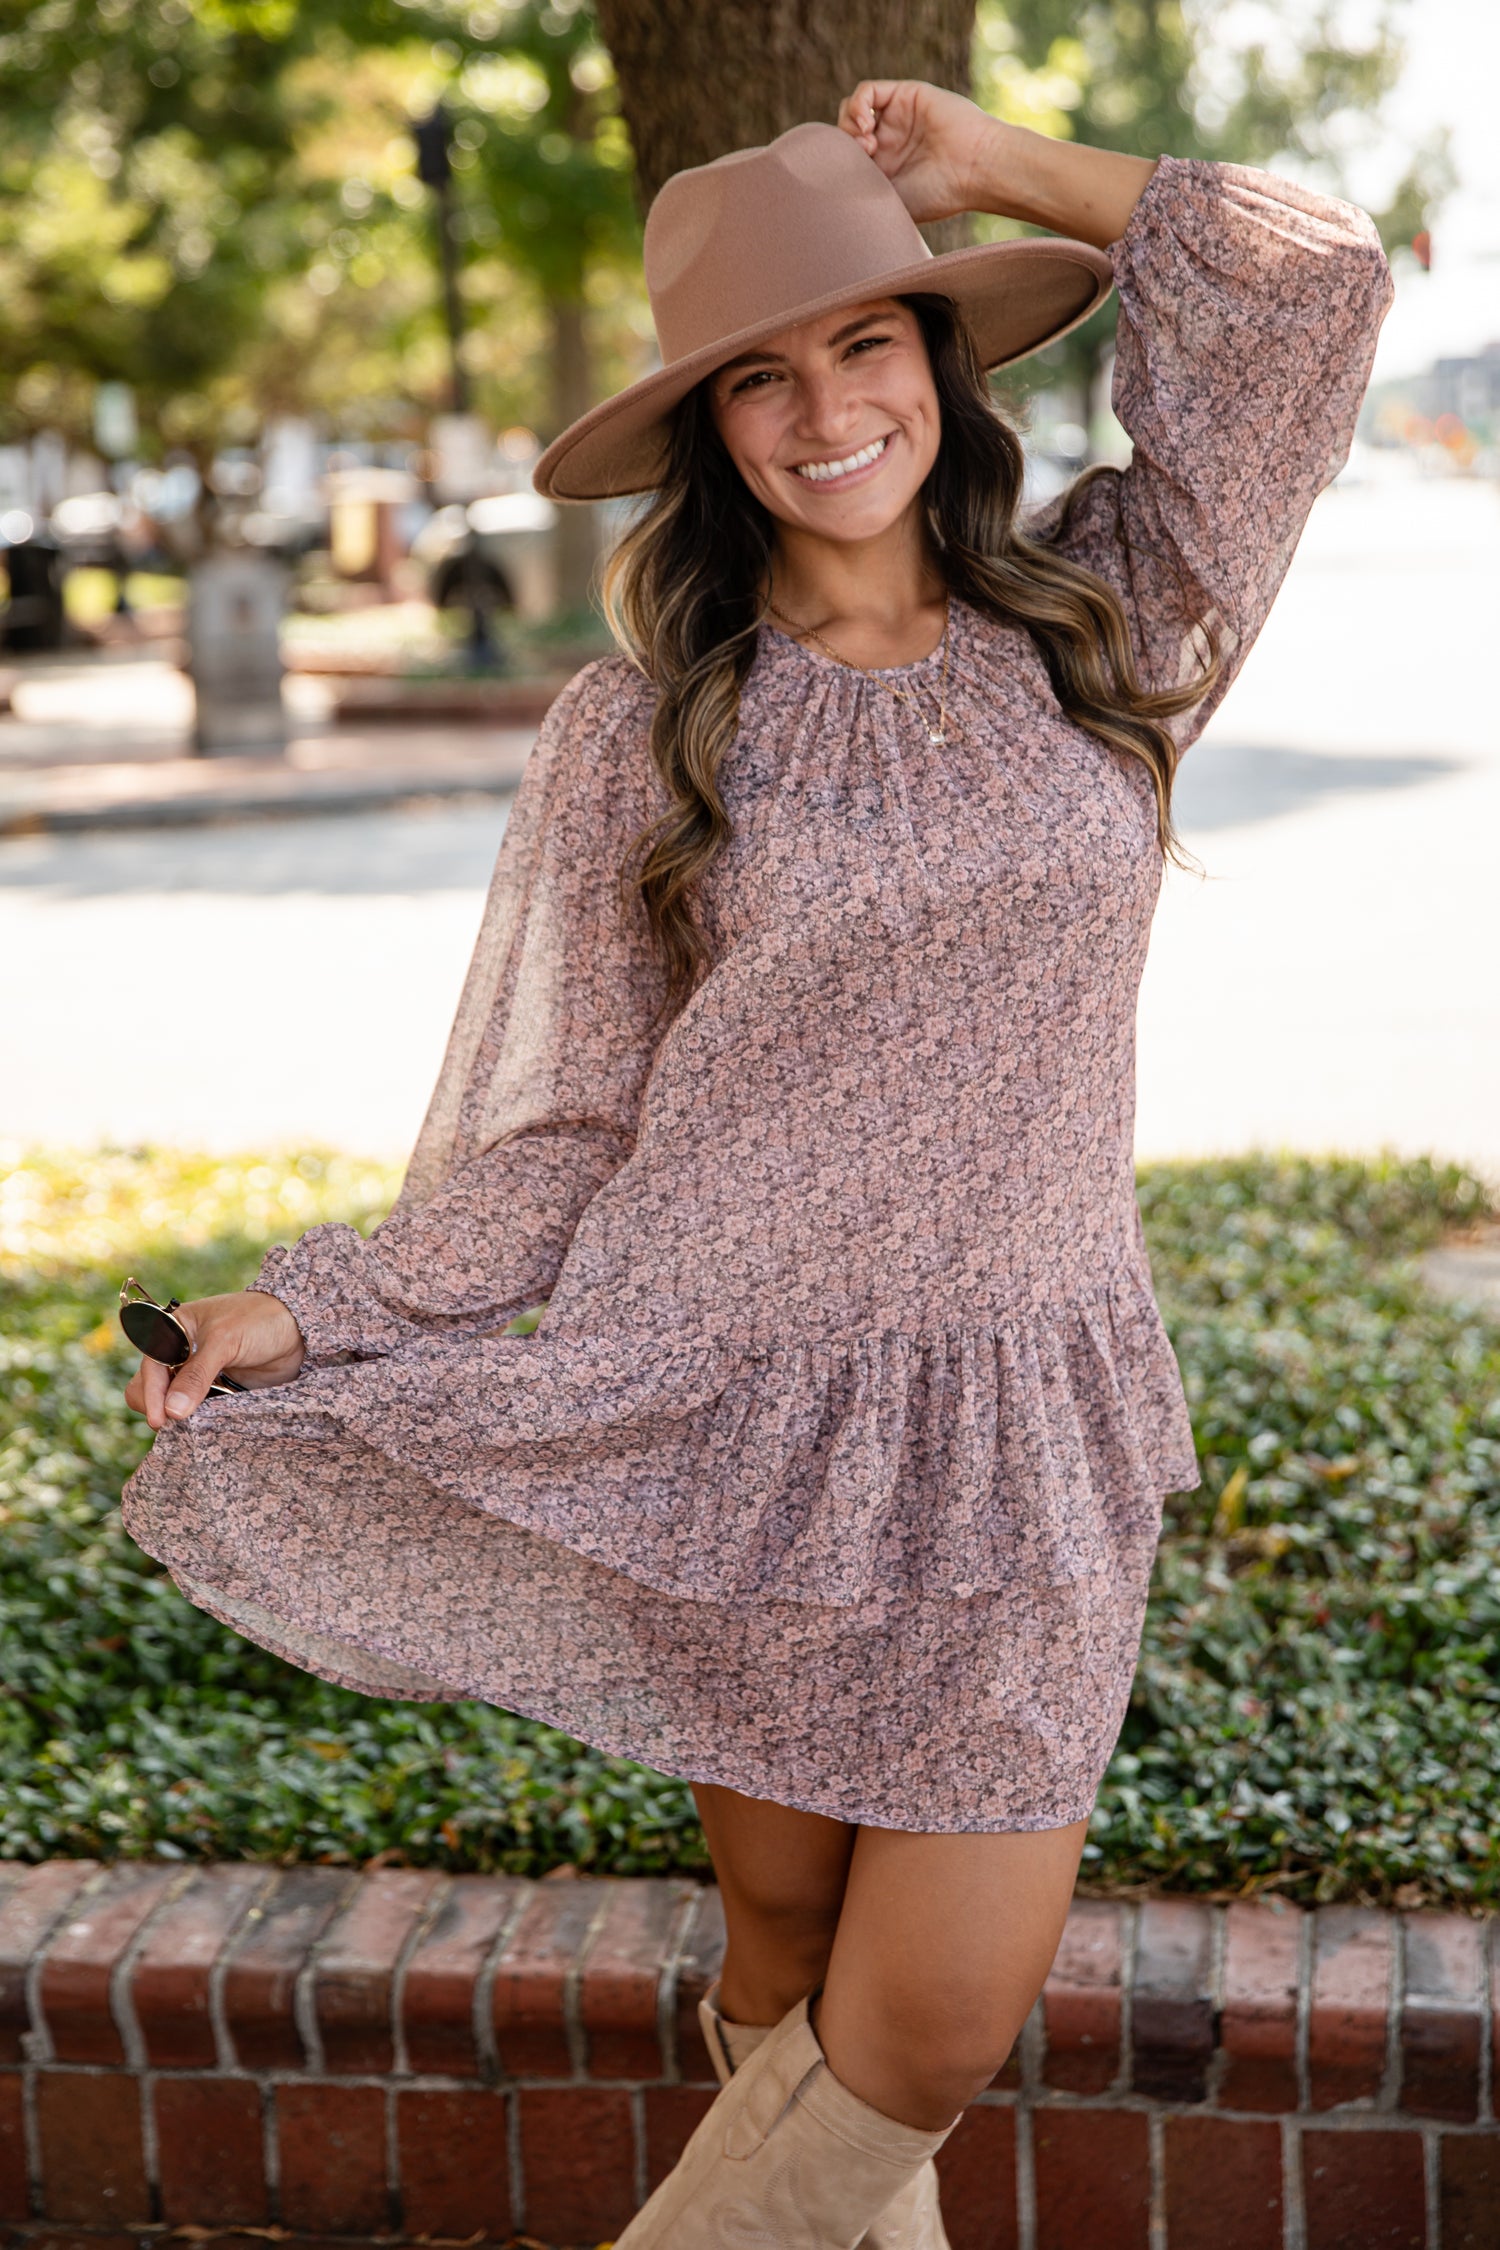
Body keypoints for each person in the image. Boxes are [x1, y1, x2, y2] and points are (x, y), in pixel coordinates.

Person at [120, 78, 1392, 2245]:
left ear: (941, 361)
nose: (825, 410)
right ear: (707, 428)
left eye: (867, 343)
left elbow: (1317, 287)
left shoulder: (1112, 618)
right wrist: (305, 1303)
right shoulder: (650, 726)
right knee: (792, 1981)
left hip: (1028, 1415)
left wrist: (1001, 168)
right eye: (760, 376)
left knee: (920, 2038)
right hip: (738, 1411)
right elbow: (558, 1131)